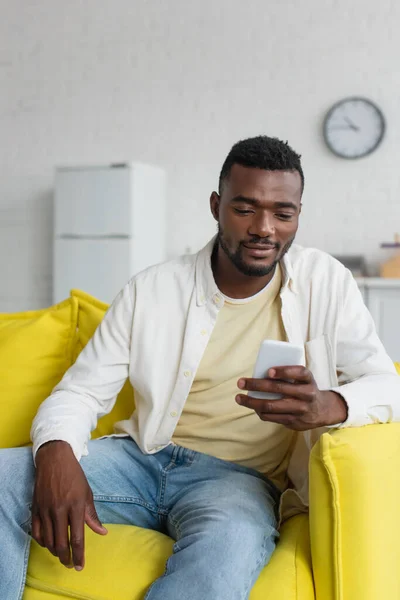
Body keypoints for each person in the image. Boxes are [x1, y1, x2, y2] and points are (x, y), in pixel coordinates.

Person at [1, 135, 399, 600]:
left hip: (240, 481)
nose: (264, 228)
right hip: (141, 458)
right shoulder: (151, 290)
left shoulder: (326, 283)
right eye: (245, 209)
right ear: (216, 206)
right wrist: (55, 452)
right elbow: (80, 392)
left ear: (296, 215)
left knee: (228, 547)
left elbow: (388, 386)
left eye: (283, 214)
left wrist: (328, 405)